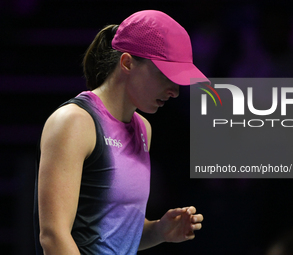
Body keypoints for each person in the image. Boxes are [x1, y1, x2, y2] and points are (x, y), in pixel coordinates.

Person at [34, 10, 209, 254]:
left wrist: (158, 231)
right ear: (127, 63)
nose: (175, 91)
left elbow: (113, 237)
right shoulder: (74, 122)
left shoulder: (143, 129)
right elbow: (53, 236)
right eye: (166, 75)